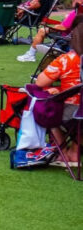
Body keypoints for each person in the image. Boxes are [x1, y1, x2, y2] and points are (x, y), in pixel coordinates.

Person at [34, 15, 83, 164]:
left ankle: (62, 150)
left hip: (72, 112)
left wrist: (58, 91)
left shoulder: (67, 59)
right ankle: (75, 150)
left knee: (45, 105)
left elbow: (40, 82)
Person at [17, 0, 83, 62]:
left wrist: (50, 28)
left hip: (66, 35)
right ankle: (31, 53)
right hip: (73, 35)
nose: (72, 0)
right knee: (44, 30)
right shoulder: (78, 12)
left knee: (42, 31)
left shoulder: (75, 13)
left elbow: (63, 27)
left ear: (80, 1)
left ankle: (30, 55)